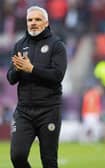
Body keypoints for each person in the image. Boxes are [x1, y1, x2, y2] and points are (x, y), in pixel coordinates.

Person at [7, 6, 67, 168]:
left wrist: (31, 69)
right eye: (30, 20)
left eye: (37, 19)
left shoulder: (57, 45)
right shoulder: (19, 45)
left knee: (49, 161)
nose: (33, 23)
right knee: (17, 156)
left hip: (49, 111)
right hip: (24, 112)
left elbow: (57, 76)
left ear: (46, 23)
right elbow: (11, 78)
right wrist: (18, 70)